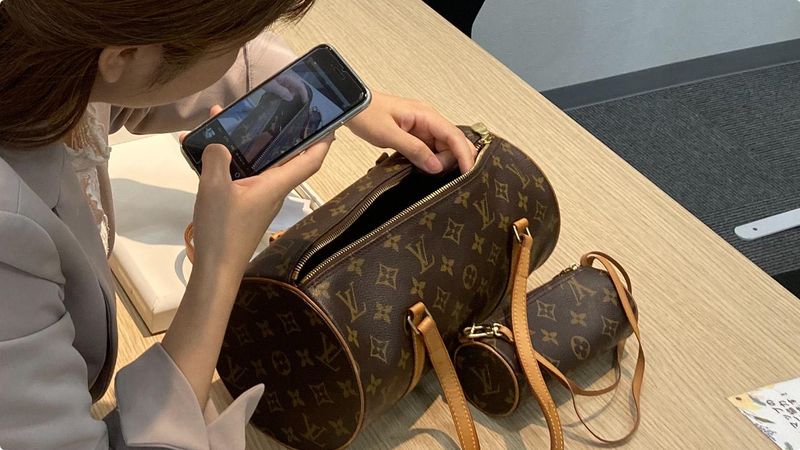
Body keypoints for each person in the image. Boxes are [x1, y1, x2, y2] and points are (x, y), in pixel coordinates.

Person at [0, 1, 477, 449]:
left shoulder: (46, 46)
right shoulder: (9, 242)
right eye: (234, 38)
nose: (245, 48)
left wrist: (334, 97)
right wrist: (220, 265)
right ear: (123, 53)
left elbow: (132, 87)